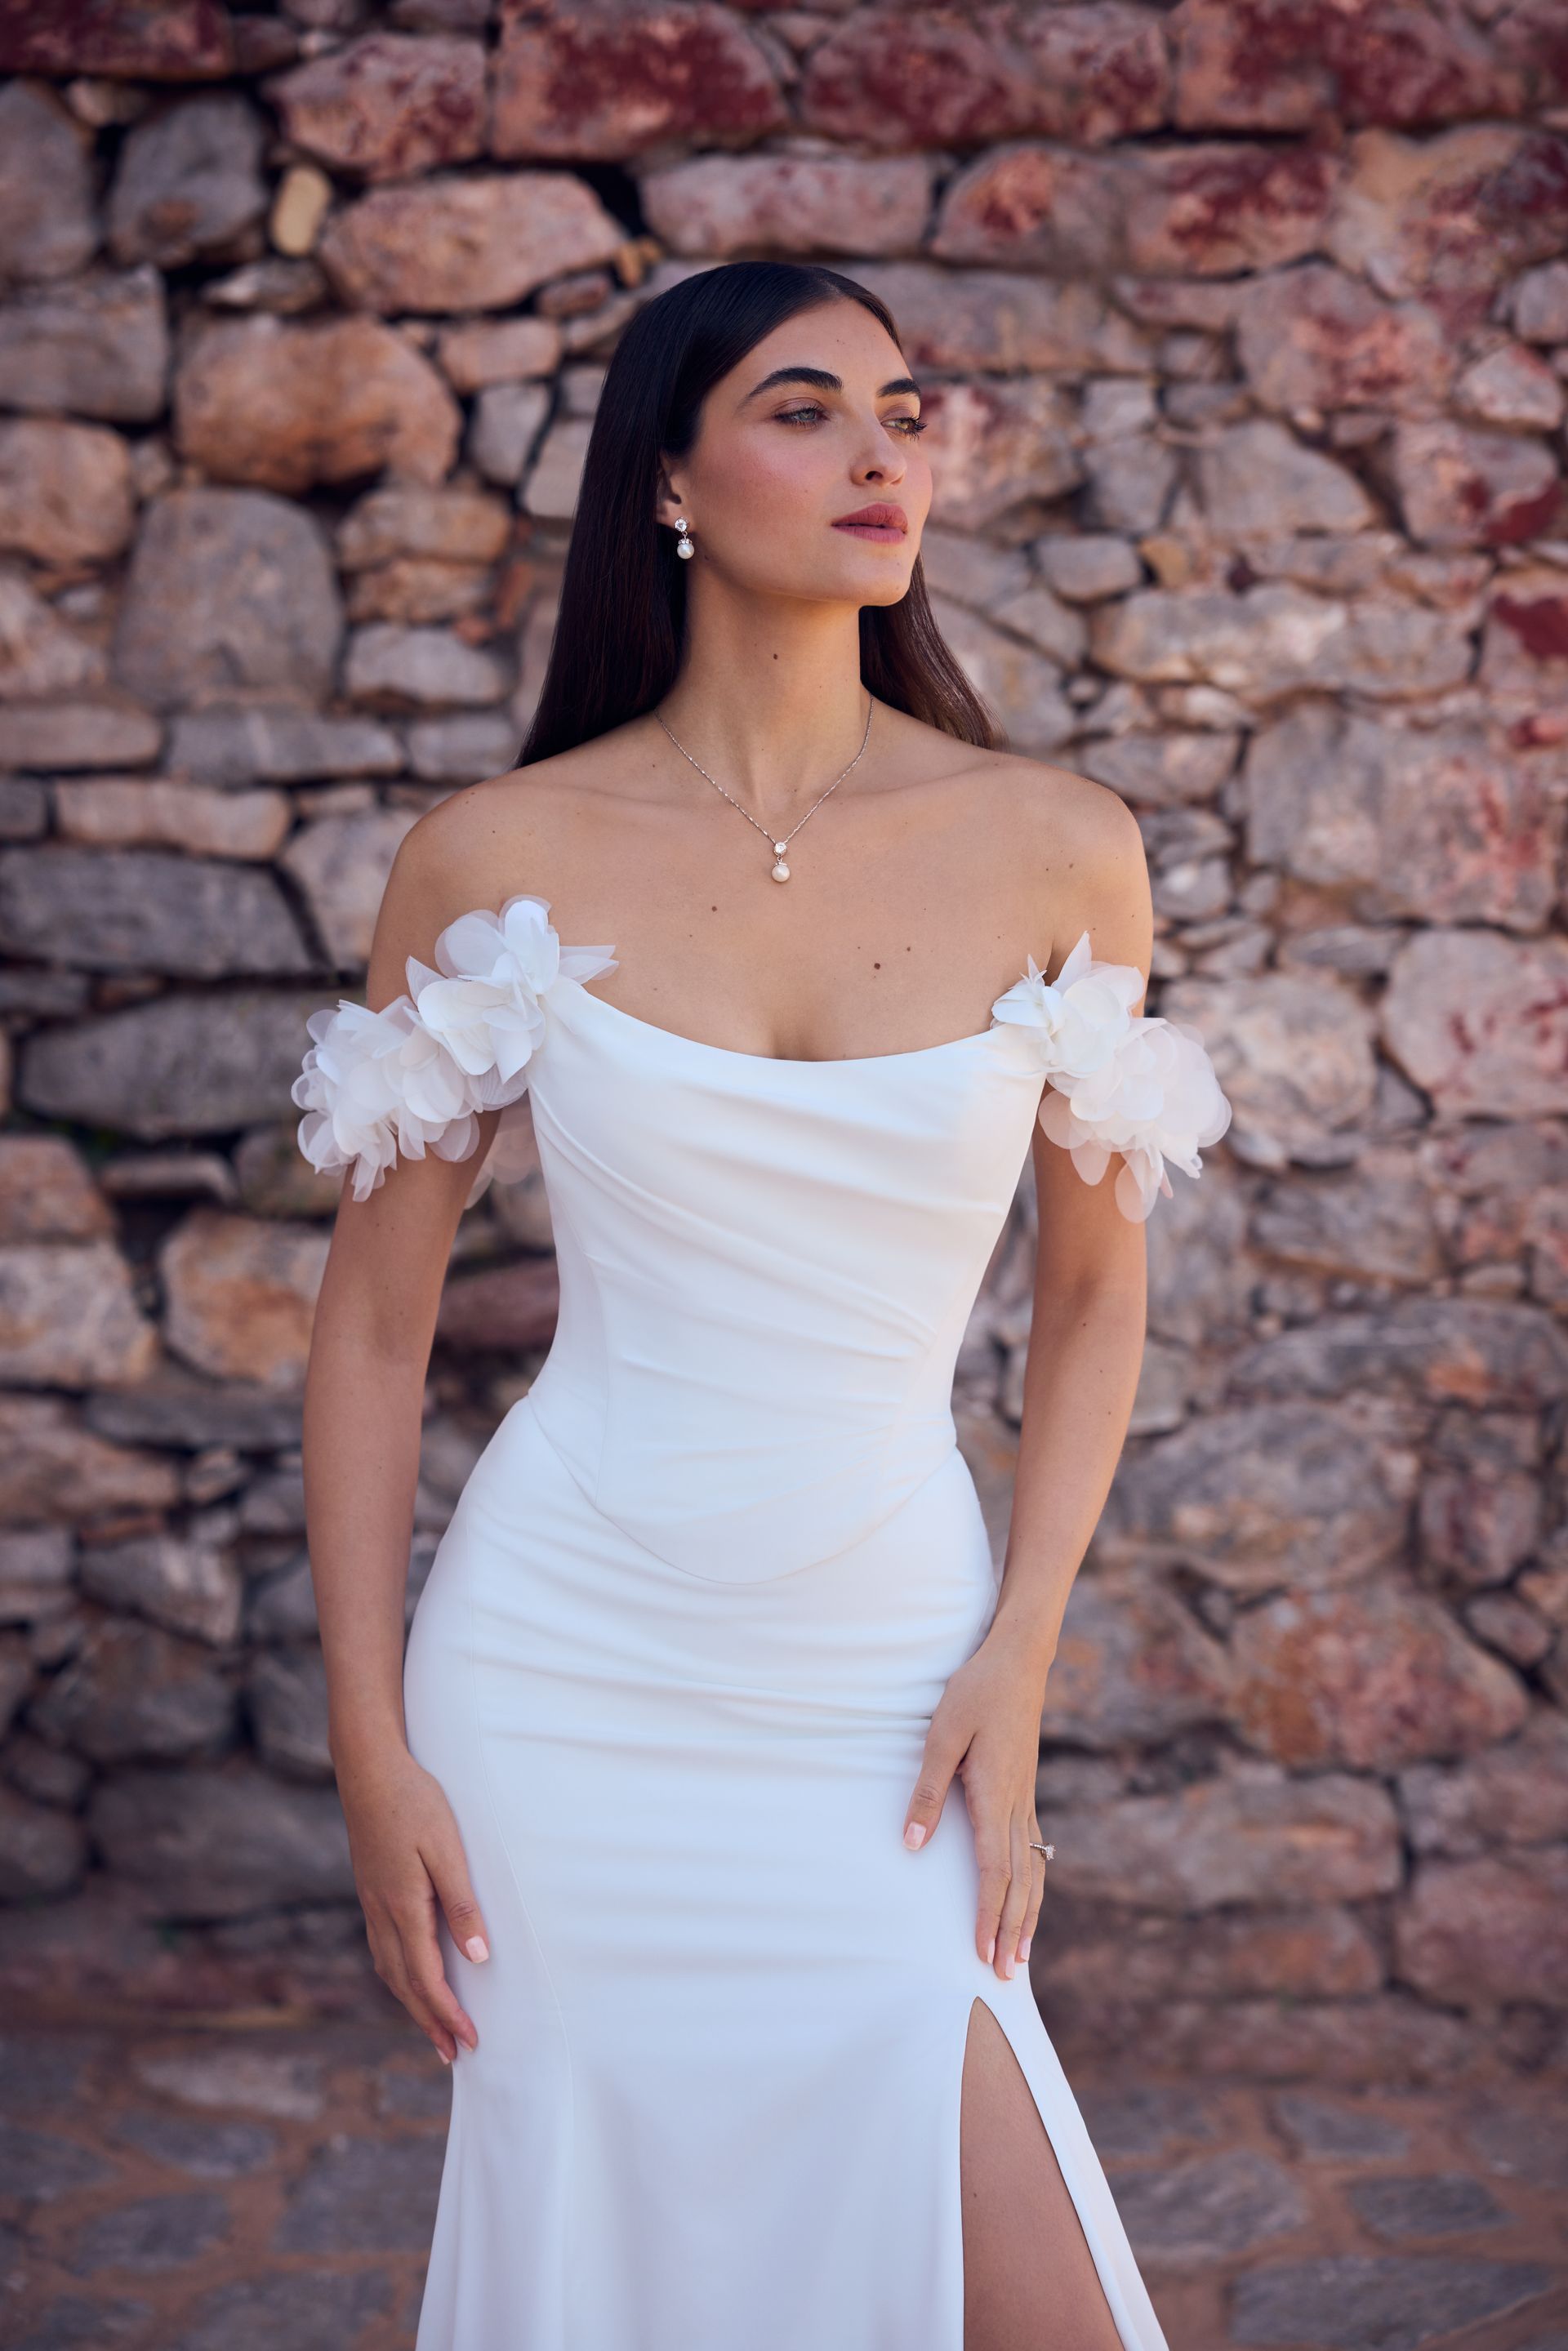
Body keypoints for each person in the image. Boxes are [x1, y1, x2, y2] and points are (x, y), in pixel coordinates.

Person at [295, 259, 1231, 2351]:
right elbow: (370, 1334)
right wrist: (370, 1744)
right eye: (808, 409)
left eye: (905, 408)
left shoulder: (1058, 846)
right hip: (560, 1679)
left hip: (890, 1680)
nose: (884, 449)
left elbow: (1095, 1302)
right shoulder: (501, 856)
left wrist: (1025, 1653)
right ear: (672, 486)